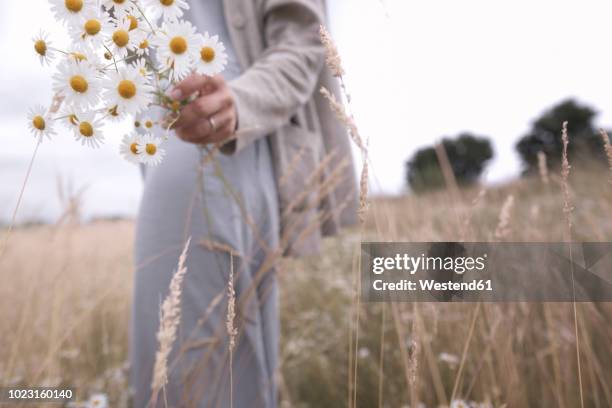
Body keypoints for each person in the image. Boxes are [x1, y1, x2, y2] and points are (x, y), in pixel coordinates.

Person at [130, 0, 358, 406]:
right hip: (165, 141)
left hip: (227, 130)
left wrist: (239, 101)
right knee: (238, 368)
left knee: (186, 373)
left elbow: (305, 40)